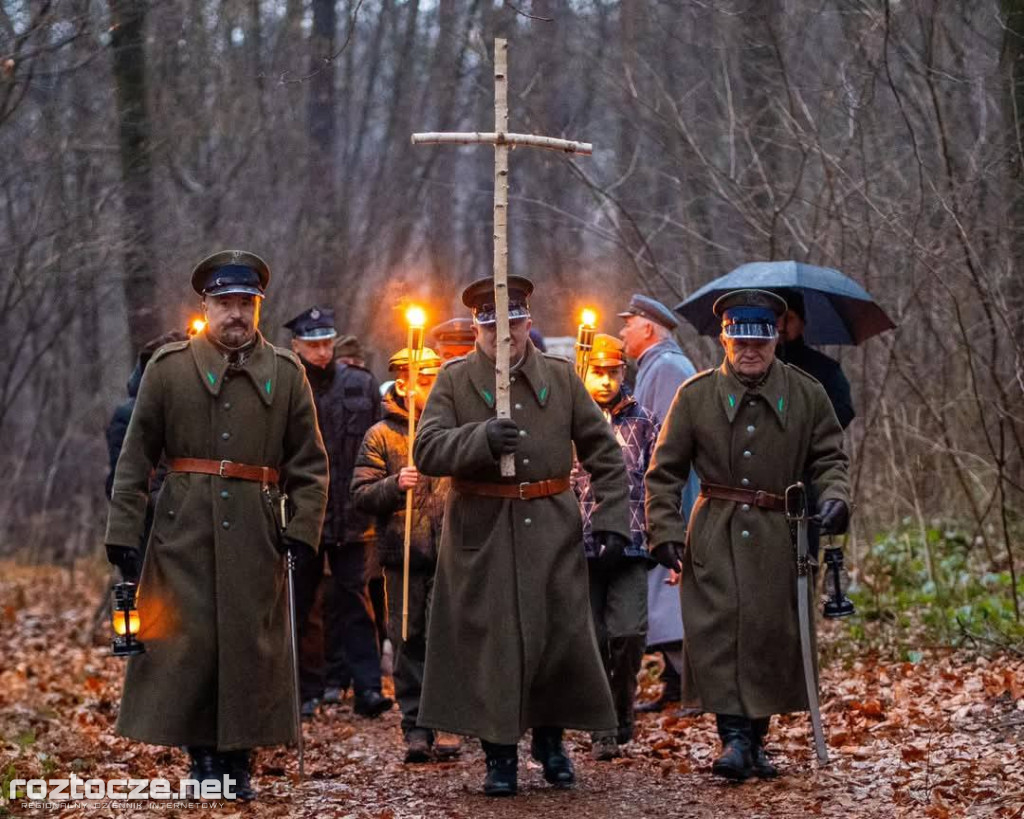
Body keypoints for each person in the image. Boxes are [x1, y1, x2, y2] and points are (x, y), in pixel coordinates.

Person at [104, 250, 329, 801]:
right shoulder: (169, 369)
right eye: (225, 302)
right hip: (183, 528)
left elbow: (309, 463)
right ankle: (203, 756)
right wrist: (123, 535)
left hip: (257, 530)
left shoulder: (286, 372)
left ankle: (238, 758)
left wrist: (302, 530)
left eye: (245, 304)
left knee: (251, 644)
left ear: (257, 308)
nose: (236, 313)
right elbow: (135, 460)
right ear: (206, 305)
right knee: (190, 644)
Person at [412, 276, 631, 797]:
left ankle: (551, 742)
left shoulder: (561, 378)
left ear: (528, 323)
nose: (503, 335)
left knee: (559, 640)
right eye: (491, 325)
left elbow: (605, 455)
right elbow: (428, 450)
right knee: (494, 648)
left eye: (512, 323)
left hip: (550, 528)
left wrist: (612, 519)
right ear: (477, 328)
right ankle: (499, 753)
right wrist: (479, 438)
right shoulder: (453, 381)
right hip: (480, 532)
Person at [645, 288, 851, 781]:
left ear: (776, 337)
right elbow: (664, 471)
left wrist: (836, 499)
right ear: (724, 339)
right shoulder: (694, 396)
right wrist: (665, 529)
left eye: (758, 341)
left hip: (783, 536)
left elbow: (830, 458)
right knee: (718, 633)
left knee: (768, 637)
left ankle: (756, 738)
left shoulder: (807, 393)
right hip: (714, 532)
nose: (749, 350)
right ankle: (733, 738)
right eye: (739, 341)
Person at [351, 346, 462, 763]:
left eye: (437, 379)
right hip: (401, 554)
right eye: (426, 379)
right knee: (407, 637)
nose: (433, 388)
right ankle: (416, 726)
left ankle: (449, 721)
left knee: (446, 637)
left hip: (450, 552)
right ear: (403, 383)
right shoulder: (380, 435)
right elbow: (360, 494)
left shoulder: (451, 427)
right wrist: (396, 483)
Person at [282, 307, 392, 720]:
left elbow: (378, 442)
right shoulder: (286, 387)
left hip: (352, 515)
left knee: (356, 603)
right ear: (297, 347)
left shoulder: (361, 385)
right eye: (313, 345)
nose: (322, 352)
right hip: (303, 517)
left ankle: (367, 689)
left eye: (327, 343)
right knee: (300, 605)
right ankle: (302, 691)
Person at [573, 334, 658, 761]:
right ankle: (602, 727)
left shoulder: (644, 421)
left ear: (624, 372)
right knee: (592, 638)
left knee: (627, 633)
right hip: (579, 548)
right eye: (597, 372)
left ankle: (623, 706)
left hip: (632, 544)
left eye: (613, 373)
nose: (604, 382)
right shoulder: (570, 422)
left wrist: (664, 537)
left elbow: (660, 483)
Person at [617, 293, 698, 713]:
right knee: (663, 593)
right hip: (661, 494)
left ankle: (691, 685)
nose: (622, 332)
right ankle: (675, 683)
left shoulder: (666, 368)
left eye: (628, 324)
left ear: (648, 328)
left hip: (671, 497)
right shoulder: (659, 365)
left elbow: (666, 441)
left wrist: (659, 501)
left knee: (669, 592)